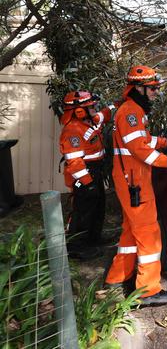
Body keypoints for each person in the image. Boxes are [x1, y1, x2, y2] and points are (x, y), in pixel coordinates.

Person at [104, 65, 167, 306]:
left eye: (157, 88)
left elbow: (142, 139)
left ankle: (117, 278)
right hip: (134, 182)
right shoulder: (130, 112)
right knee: (148, 233)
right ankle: (147, 292)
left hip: (131, 179)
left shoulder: (133, 111)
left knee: (130, 231)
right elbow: (139, 149)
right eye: (152, 88)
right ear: (138, 88)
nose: (156, 92)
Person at [59, 91, 114, 260]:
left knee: (98, 206)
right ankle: (76, 247)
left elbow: (102, 116)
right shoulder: (72, 131)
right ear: (79, 111)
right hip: (84, 175)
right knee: (82, 211)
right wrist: (87, 183)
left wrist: (115, 106)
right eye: (91, 106)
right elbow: (74, 161)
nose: (94, 109)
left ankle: (93, 239)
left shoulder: (88, 122)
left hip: (94, 172)